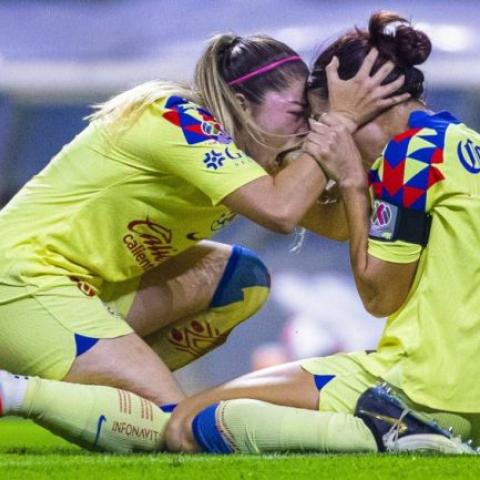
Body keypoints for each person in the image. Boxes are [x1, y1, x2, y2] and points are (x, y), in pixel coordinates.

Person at [0, 30, 405, 452]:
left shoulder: (254, 151)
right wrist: (338, 122)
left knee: (241, 281)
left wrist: (355, 167)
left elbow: (335, 224)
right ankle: (15, 392)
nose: (307, 131)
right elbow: (281, 210)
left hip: (82, 290)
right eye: (298, 113)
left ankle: (109, 386)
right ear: (243, 106)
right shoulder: (175, 117)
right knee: (175, 429)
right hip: (23, 280)